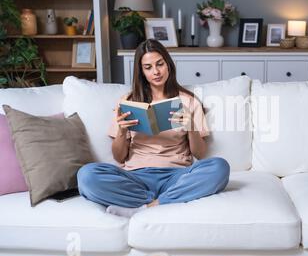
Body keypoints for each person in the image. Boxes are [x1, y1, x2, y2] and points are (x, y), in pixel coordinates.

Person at [77, 39, 230, 218]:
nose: (156, 72)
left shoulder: (188, 101)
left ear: (168, 65)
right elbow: (119, 157)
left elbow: (200, 154)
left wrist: (191, 128)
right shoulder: (128, 101)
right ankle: (163, 201)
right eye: (148, 67)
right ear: (141, 71)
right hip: (136, 177)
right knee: (86, 175)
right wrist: (122, 132)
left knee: (220, 167)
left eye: (160, 64)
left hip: (176, 176)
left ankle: (148, 207)